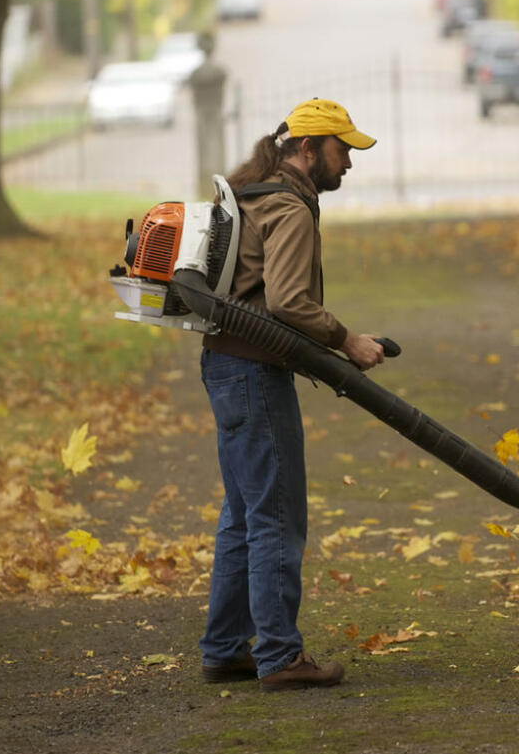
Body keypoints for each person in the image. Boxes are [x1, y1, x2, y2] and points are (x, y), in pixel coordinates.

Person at [197, 98, 383, 692]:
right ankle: (279, 656)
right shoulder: (291, 207)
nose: (348, 163)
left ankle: (226, 649)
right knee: (276, 516)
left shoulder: (257, 192)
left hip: (225, 367)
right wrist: (346, 340)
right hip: (253, 374)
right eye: (342, 149)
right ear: (308, 149)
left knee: (243, 517)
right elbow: (288, 304)